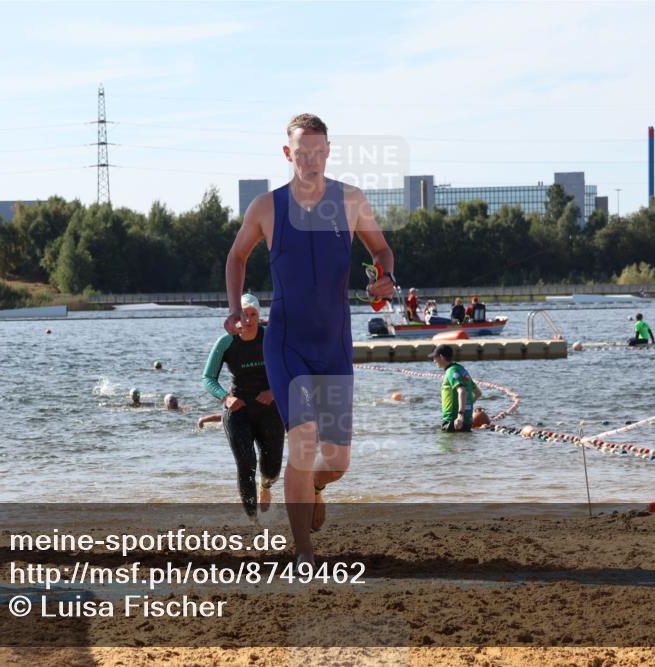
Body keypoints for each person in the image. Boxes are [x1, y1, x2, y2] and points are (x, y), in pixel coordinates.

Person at [223, 113, 396, 564]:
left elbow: (381, 249)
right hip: (287, 345)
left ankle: (317, 487)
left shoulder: (351, 201)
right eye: (302, 153)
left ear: (328, 152)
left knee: (336, 461)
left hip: (334, 345)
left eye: (318, 152)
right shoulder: (266, 207)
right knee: (302, 440)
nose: (311, 160)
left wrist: (385, 276)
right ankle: (304, 550)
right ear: (289, 154)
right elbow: (236, 256)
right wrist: (234, 307)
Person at [203, 294, 285, 520]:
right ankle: (252, 520)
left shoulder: (271, 338)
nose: (247, 320)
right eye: (243, 315)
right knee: (246, 462)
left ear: (259, 317)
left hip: (268, 407)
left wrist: (274, 392)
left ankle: (266, 486)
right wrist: (225, 398)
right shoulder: (226, 342)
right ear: (235, 317)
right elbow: (208, 378)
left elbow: (291, 370)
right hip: (238, 409)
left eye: (253, 315)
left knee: (272, 470)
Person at [429, 344, 482, 432]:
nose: (434, 361)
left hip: (453, 421)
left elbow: (462, 391)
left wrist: (460, 415)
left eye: (435, 358)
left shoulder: (451, 371)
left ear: (441, 357)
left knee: (447, 445)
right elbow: (478, 393)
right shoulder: (462, 370)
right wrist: (466, 409)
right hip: (467, 421)